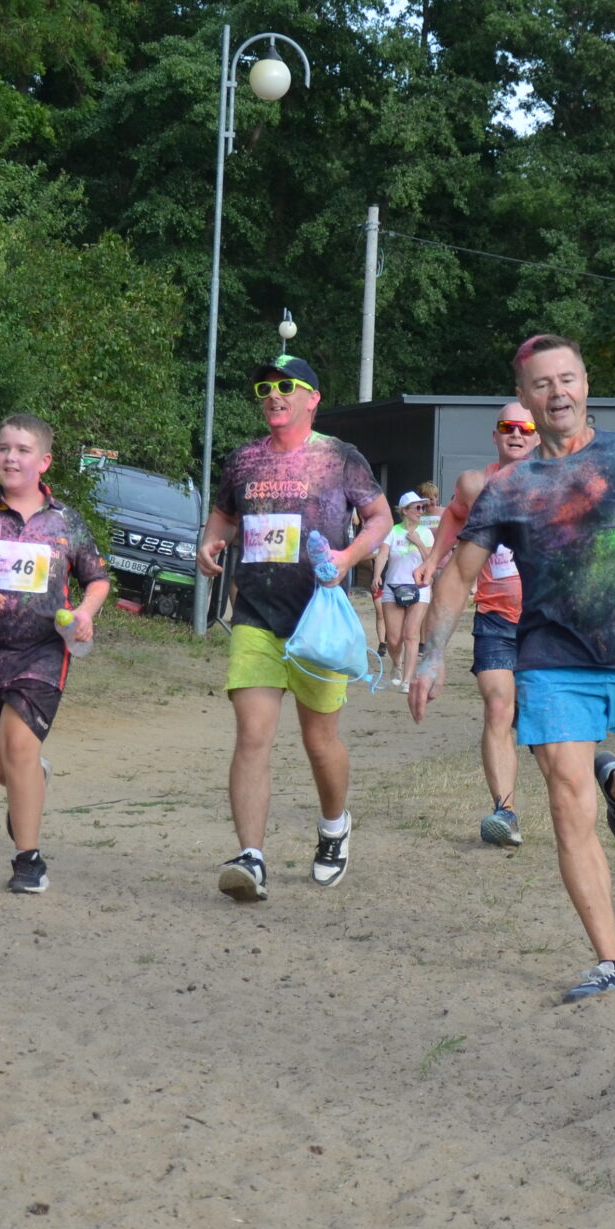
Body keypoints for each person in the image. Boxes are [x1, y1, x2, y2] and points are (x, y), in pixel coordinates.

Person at [410, 333, 615, 1002]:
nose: (557, 392)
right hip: (554, 661)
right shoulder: (508, 487)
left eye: (568, 379)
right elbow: (458, 575)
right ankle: (610, 960)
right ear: (525, 399)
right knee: (565, 804)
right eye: (542, 383)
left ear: (586, 385)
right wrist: (431, 656)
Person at [198, 353, 390, 900]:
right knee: (252, 736)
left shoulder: (339, 457)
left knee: (319, 741)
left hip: (317, 619)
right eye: (266, 389)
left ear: (312, 398)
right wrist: (210, 543)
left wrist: (348, 556)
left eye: (286, 387)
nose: (274, 396)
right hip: (255, 616)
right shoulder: (243, 459)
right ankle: (251, 858)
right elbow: (224, 516)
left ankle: (334, 827)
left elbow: (380, 517)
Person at [0, 414, 112, 894]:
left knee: (17, 746)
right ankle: (33, 777)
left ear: (44, 461)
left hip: (44, 651)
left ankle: (28, 861)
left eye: (22, 450)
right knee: (2, 766)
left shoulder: (65, 521)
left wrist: (85, 612)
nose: (10, 457)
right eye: (3, 448)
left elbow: (97, 579)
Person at [422, 401, 541, 846]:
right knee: (497, 706)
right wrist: (433, 559)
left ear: (537, 436)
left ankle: (601, 781)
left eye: (525, 428)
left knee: (548, 728)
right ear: (495, 436)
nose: (516, 434)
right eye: (508, 427)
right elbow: (454, 515)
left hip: (545, 623)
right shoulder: (475, 484)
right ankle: (504, 813)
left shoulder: (555, 481)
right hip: (495, 618)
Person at [377, 490, 434, 690]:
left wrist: (418, 542)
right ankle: (396, 664)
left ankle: (407, 680)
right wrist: (377, 575)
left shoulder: (426, 533)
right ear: (405, 510)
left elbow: (431, 560)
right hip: (393, 586)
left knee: (411, 634)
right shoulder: (393, 531)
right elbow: (383, 555)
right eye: (417, 507)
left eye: (423, 507)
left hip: (419, 587)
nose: (421, 511)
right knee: (394, 639)